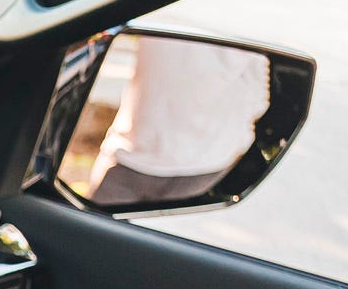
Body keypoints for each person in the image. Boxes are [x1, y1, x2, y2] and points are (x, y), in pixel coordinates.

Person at [87, 33, 270, 208]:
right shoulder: (250, 19)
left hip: (153, 154)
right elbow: (259, 98)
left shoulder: (160, 5)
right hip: (203, 159)